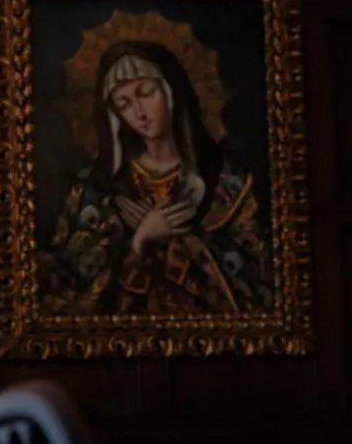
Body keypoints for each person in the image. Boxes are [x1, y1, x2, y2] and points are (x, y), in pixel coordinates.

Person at [38, 39, 272, 315]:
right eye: (124, 103)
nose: (139, 113)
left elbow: (256, 279)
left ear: (171, 91)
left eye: (147, 93)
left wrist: (181, 240)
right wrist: (141, 240)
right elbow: (70, 287)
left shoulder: (226, 178)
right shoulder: (96, 187)